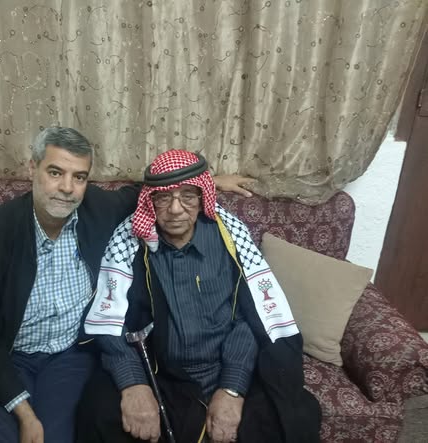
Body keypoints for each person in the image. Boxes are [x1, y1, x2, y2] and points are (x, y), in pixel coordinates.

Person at [0, 127, 255, 443]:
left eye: (79, 177)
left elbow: (155, 192)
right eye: (55, 172)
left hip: (71, 354)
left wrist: (209, 181)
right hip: (9, 357)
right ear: (32, 168)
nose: (67, 188)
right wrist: (24, 414)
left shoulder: (99, 208)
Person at [78, 150, 321, 443]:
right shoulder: (129, 244)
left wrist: (232, 387)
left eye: (187, 196)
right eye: (163, 198)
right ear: (150, 201)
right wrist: (134, 385)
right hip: (159, 372)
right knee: (98, 412)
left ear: (203, 195)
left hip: (227, 366)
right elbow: (110, 322)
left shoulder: (229, 239)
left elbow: (253, 316)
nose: (175, 209)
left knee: (295, 416)